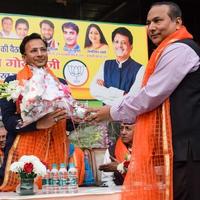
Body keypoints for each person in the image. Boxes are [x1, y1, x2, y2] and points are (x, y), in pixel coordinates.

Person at [86, 2, 200, 200]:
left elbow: (150, 95)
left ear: (178, 22)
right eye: (148, 23)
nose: (152, 27)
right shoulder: (158, 54)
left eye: (158, 20)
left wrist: (111, 111)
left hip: (187, 148)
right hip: (177, 148)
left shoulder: (180, 50)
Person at [0, 33, 70, 191]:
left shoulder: (61, 84)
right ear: (24, 57)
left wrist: (78, 119)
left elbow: (68, 124)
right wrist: (38, 124)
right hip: (22, 154)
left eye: (43, 49)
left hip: (57, 149)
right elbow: (9, 121)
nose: (40, 54)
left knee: (54, 192)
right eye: (34, 51)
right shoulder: (12, 82)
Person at [90, 27, 145, 105]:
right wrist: (122, 94)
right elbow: (94, 90)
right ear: (113, 44)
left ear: (131, 47)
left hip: (127, 116)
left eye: (124, 43)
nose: (119, 45)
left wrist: (106, 92)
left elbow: (132, 99)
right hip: (105, 116)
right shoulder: (106, 64)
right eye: (116, 42)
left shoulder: (140, 69)